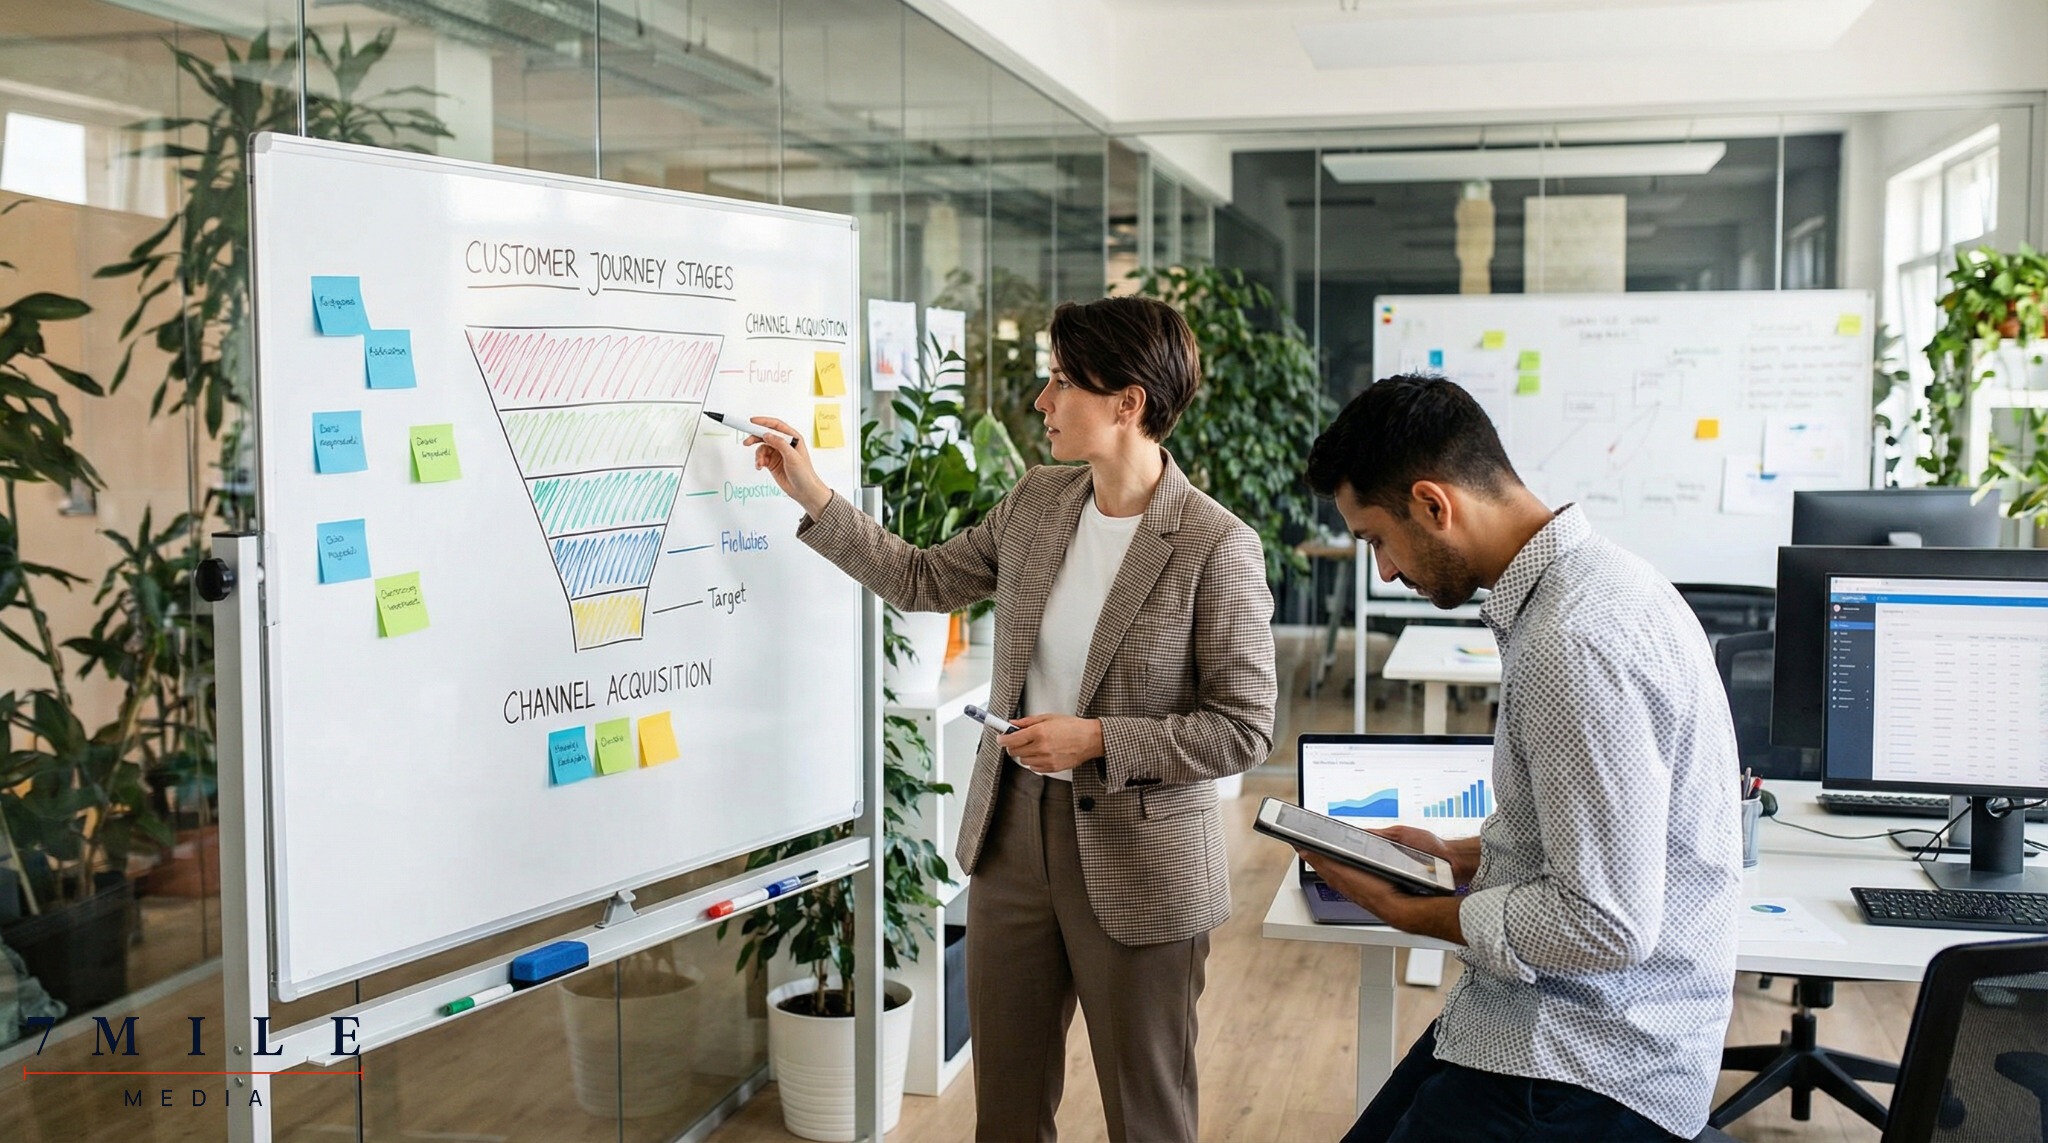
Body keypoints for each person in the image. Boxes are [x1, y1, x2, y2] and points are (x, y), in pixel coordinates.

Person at [745, 295, 1277, 1143]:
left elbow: (1243, 726)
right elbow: (921, 578)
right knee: (1007, 1112)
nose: (1043, 401)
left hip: (1142, 865)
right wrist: (809, 488)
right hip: (1012, 840)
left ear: (1127, 404)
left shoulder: (1217, 544)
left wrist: (1097, 738)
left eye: (1063, 382)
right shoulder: (1037, 501)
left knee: (1148, 1115)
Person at [1299, 375, 1740, 1143]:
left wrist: (1417, 912)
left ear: (1435, 504)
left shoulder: (1575, 641)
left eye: (1376, 539)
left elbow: (1606, 923)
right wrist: (1459, 854)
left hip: (1590, 1061)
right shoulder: (1591, 588)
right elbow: (1587, 838)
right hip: (1540, 1021)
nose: (1386, 573)